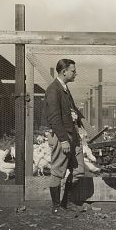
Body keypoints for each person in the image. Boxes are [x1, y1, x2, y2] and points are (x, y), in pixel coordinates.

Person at [45, 59, 85, 215]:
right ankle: (56, 207)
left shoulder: (64, 88)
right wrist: (63, 139)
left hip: (72, 134)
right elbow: (54, 118)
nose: (76, 73)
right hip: (62, 135)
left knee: (78, 170)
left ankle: (67, 203)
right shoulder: (53, 89)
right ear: (64, 72)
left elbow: (70, 111)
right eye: (73, 70)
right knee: (58, 171)